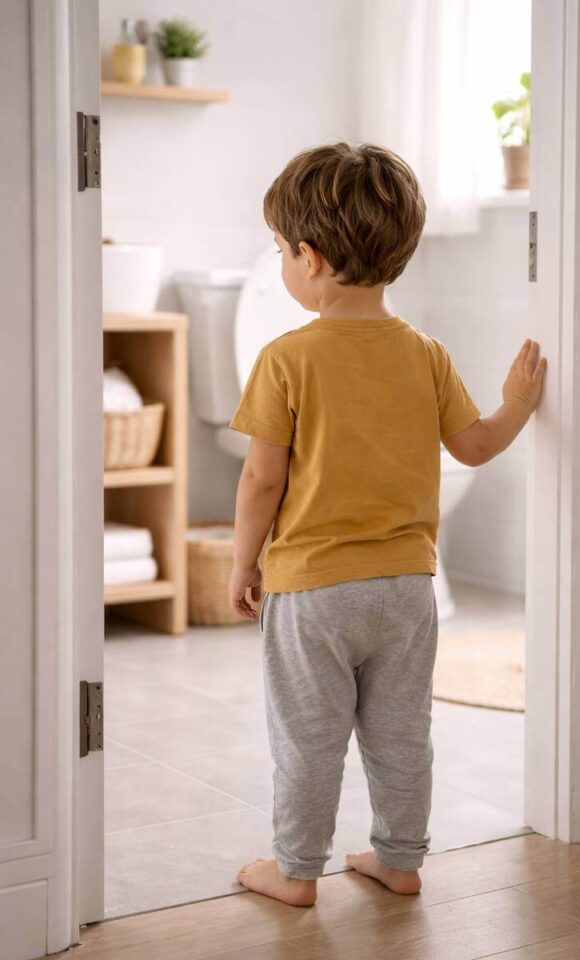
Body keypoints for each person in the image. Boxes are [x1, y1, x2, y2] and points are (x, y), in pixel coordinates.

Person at [228, 142, 546, 907]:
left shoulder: (285, 357)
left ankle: (295, 871)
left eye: (279, 250)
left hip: (313, 596)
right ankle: (400, 861)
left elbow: (262, 477)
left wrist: (244, 563)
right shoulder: (425, 353)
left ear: (308, 258)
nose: (281, 262)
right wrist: (518, 404)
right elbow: (473, 446)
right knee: (403, 734)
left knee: (308, 738)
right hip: (409, 588)